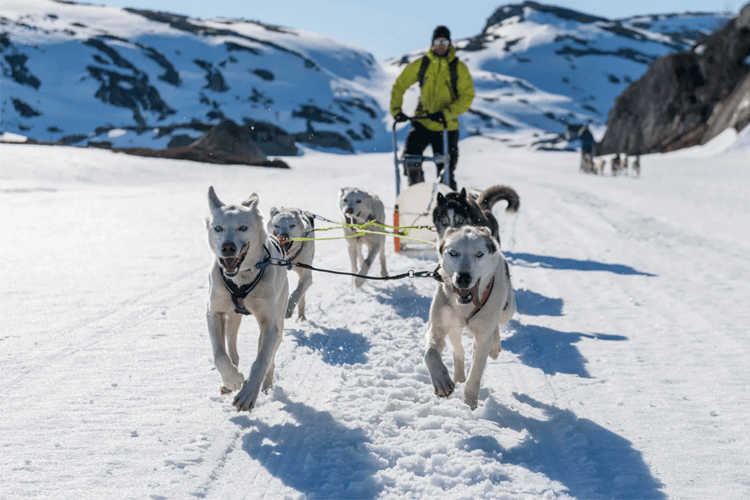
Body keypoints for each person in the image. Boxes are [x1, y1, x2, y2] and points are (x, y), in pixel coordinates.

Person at [390, 25, 475, 190]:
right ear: (432, 43)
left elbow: (467, 96)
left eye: (445, 41)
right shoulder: (422, 64)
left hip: (446, 126)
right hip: (423, 122)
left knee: (446, 171)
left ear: (450, 43)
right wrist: (397, 111)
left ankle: (450, 205)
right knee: (410, 160)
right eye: (438, 41)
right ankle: (417, 194)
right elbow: (400, 85)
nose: (441, 45)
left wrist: (446, 113)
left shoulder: (458, 68)